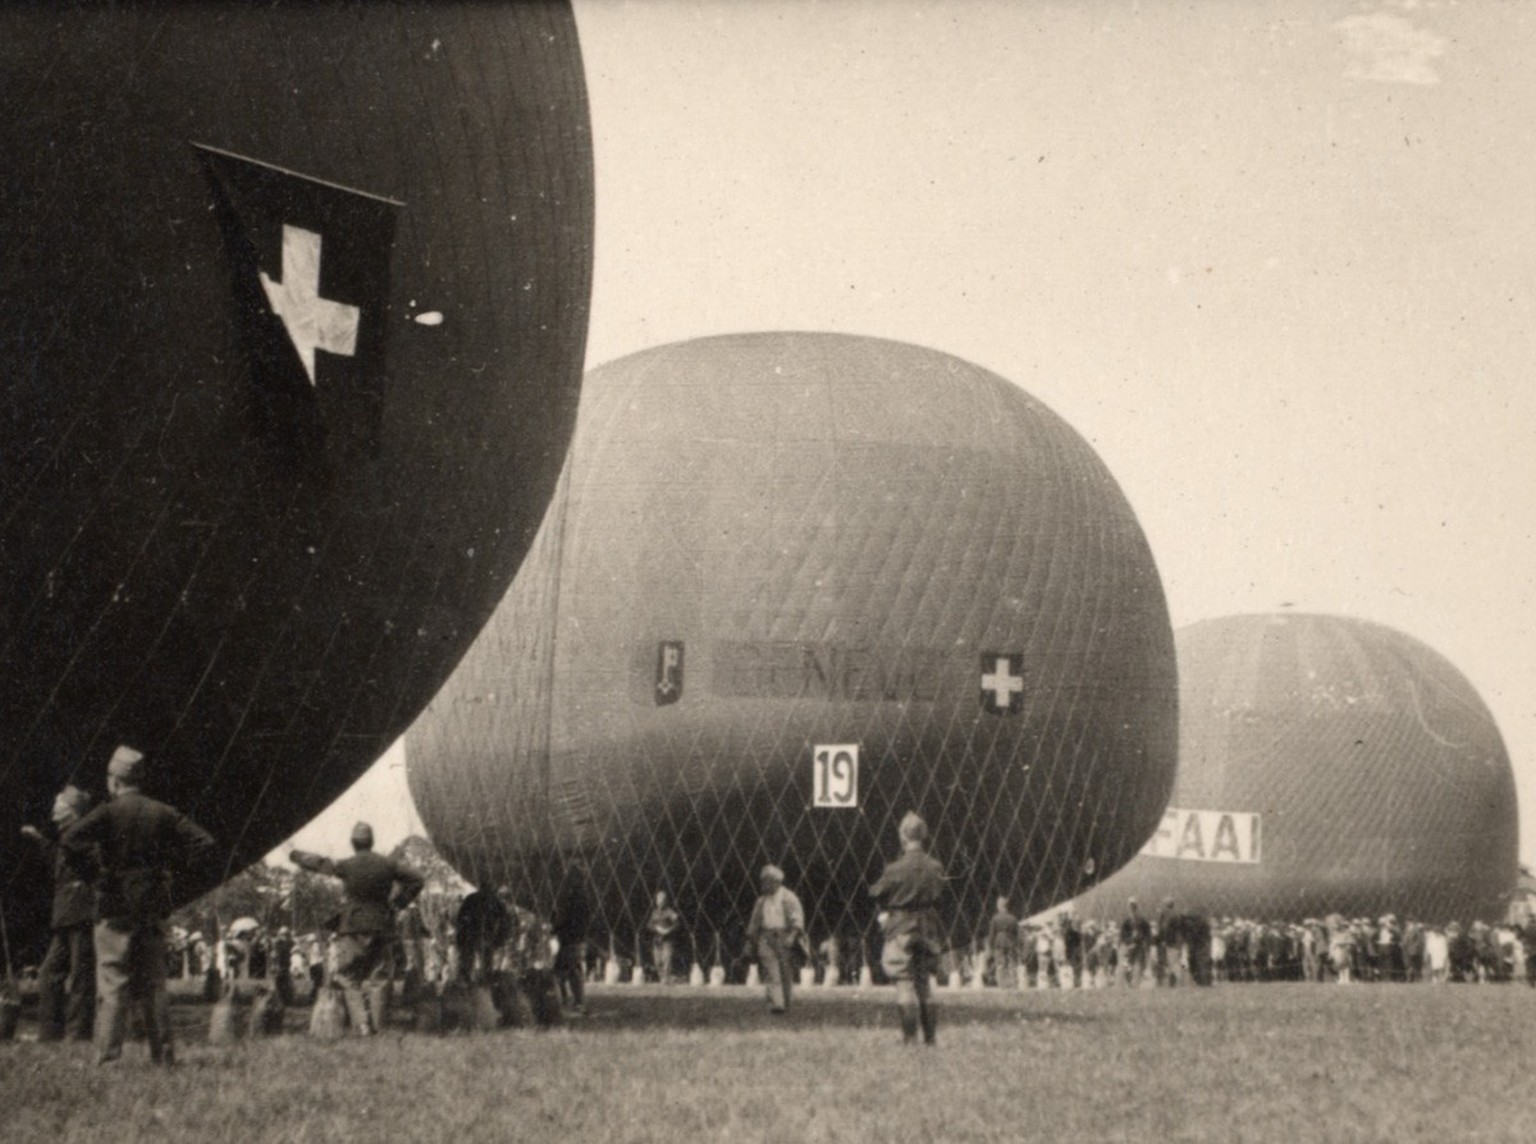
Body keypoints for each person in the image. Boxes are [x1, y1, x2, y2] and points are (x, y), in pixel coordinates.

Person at [60, 745, 219, 1065]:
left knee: (112, 982)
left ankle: (108, 1058)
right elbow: (205, 843)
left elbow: (70, 840)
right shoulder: (162, 811)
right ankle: (163, 1055)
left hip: (114, 905)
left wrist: (96, 876)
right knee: (155, 985)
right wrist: (170, 874)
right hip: (152, 906)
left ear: (114, 780)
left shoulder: (107, 812)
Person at [289, 822, 424, 1035]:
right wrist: (398, 903)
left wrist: (296, 856)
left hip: (351, 926)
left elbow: (321, 863)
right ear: (372, 842)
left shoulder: (347, 865)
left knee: (347, 975)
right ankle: (379, 1026)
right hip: (382, 924)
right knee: (380, 976)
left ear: (353, 843)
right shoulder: (388, 865)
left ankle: (361, 1024)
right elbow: (418, 879)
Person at [20, 784, 97, 1041]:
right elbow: (59, 859)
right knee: (51, 973)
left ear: (69, 811)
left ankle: (77, 1034)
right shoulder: (69, 835)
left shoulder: (81, 834)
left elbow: (90, 864)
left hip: (80, 912)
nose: (53, 812)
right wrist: (39, 840)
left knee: (80, 976)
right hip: (66, 914)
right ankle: (51, 1032)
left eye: (58, 806)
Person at [871, 810, 945, 1045]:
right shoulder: (936, 867)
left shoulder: (894, 869)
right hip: (927, 927)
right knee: (924, 983)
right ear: (924, 835)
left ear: (903, 836)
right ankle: (931, 1038)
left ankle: (909, 1038)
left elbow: (876, 892)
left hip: (901, 927)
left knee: (904, 981)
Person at [744, 864, 806, 1014]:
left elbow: (798, 919)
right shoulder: (761, 901)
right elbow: (754, 922)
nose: (763, 885)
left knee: (785, 972)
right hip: (766, 937)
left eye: (766, 881)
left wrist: (792, 936)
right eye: (762, 881)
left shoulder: (789, 898)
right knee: (771, 971)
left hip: (784, 936)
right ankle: (776, 1005)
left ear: (776, 881)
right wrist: (750, 941)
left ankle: (786, 1003)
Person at [552, 860, 591, 1014]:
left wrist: (554, 928)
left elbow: (562, 916)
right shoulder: (584, 895)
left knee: (562, 970)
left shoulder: (569, 895)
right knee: (575, 969)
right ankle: (577, 1000)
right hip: (578, 937)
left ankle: (565, 1000)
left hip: (567, 938)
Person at [646, 890, 680, 984]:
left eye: (662, 899)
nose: (660, 901)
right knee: (657, 961)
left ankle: (665, 979)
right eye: (659, 899)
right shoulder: (654, 912)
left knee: (667, 960)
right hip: (657, 940)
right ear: (656, 900)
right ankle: (663, 977)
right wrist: (656, 928)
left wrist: (668, 930)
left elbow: (677, 924)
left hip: (667, 940)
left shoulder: (670, 912)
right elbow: (649, 925)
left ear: (666, 901)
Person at [987, 896, 1019, 989]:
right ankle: (1014, 984)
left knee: (1000, 964)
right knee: (1012, 963)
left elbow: (992, 933)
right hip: (1010, 942)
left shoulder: (995, 918)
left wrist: (990, 944)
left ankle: (1002, 985)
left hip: (999, 942)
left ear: (999, 906)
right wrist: (1015, 943)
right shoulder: (1013, 918)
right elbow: (1016, 932)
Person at [1119, 898, 1151, 987]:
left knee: (1138, 963)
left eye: (1134, 905)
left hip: (1139, 944)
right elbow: (1122, 933)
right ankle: (1130, 982)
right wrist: (1128, 941)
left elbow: (1147, 932)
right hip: (1129, 945)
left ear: (1136, 906)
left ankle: (1136, 983)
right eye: (1131, 905)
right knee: (1127, 965)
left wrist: (1144, 941)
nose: (1132, 907)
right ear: (1128, 906)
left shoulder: (1141, 919)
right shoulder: (1126, 919)